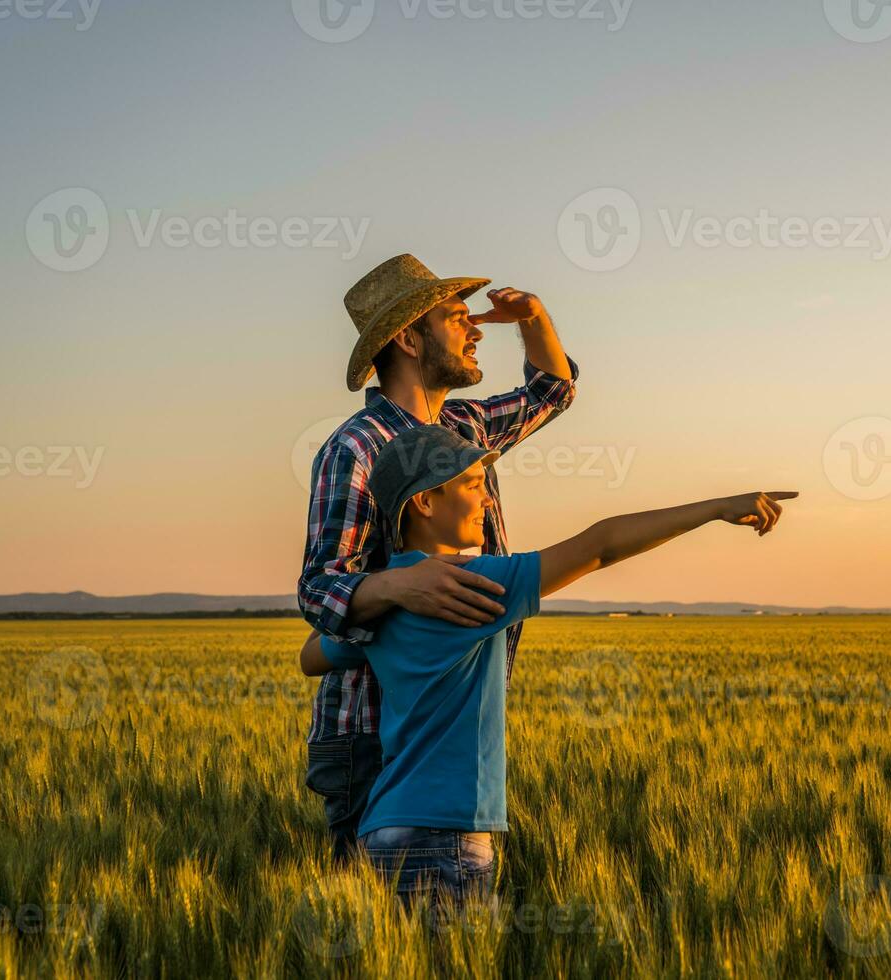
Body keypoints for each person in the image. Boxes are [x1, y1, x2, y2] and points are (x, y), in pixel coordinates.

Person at [298, 425, 795, 913]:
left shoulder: (390, 596)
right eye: (474, 485)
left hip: (380, 831)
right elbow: (601, 545)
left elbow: (312, 656)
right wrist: (715, 508)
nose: (488, 501)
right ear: (425, 502)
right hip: (444, 838)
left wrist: (379, 594)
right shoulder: (472, 585)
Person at [297, 254, 580, 861]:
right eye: (457, 318)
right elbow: (320, 590)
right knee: (378, 938)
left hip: (442, 730)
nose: (476, 329)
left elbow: (552, 390)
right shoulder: (356, 447)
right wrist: (401, 587)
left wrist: (532, 314)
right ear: (408, 337)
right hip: (370, 733)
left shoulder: (464, 426)